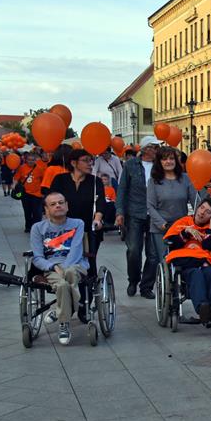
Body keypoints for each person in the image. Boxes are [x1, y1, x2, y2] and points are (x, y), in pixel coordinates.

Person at [49, 149, 106, 322]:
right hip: (63, 231)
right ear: (74, 163)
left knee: (87, 267)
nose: (90, 163)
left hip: (88, 231)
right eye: (86, 160)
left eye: (91, 160)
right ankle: (69, 299)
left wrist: (98, 219)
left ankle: (84, 305)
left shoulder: (95, 182)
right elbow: (51, 202)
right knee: (64, 266)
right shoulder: (60, 180)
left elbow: (100, 204)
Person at [30, 192, 89, 346]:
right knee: (62, 285)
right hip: (51, 268)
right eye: (53, 204)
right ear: (46, 209)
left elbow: (76, 250)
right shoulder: (37, 228)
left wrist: (65, 268)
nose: (58, 206)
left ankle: (61, 314)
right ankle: (65, 320)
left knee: (69, 273)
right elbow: (37, 257)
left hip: (76, 264)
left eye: (61, 202)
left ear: (67, 206)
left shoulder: (77, 223)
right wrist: (53, 266)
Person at [164, 198, 211, 323]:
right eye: (202, 208)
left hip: (204, 262)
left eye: (208, 212)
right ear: (197, 207)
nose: (202, 213)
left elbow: (208, 245)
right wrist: (186, 232)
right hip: (187, 264)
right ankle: (202, 307)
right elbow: (171, 244)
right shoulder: (183, 222)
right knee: (196, 273)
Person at [116, 136, 162, 298]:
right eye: (155, 147)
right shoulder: (130, 165)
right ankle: (133, 280)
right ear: (146, 149)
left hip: (155, 214)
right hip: (134, 212)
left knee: (154, 253)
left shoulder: (161, 166)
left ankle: (146, 286)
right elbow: (122, 190)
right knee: (134, 250)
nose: (158, 150)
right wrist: (120, 212)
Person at [147, 146, 198, 274]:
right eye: (164, 159)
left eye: (171, 158)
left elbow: (196, 201)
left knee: (183, 258)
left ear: (176, 161)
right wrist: (163, 224)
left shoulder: (186, 179)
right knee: (164, 260)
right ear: (159, 162)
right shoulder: (153, 181)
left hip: (182, 227)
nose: (168, 162)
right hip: (162, 228)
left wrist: (203, 217)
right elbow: (150, 206)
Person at [15, 152, 45, 232]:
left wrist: (43, 192)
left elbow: (43, 180)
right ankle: (28, 226)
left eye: (33, 160)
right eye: (29, 160)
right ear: (26, 160)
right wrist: (14, 186)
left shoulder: (40, 169)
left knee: (37, 213)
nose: (31, 161)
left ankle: (36, 228)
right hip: (25, 194)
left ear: (35, 160)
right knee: (27, 212)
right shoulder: (21, 168)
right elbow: (16, 178)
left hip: (37, 194)